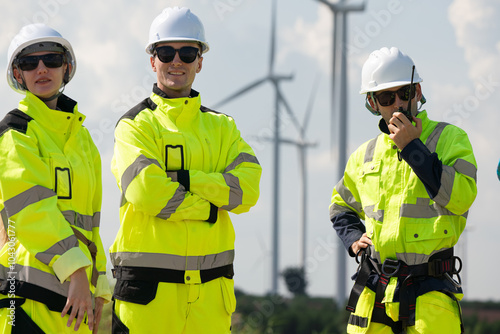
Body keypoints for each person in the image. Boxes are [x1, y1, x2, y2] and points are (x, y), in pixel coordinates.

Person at [109, 7, 262, 333]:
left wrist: (186, 179)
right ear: (153, 60)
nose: (176, 61)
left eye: (187, 52)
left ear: (200, 61)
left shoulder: (224, 127)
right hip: (148, 296)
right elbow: (146, 192)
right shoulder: (133, 126)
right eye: (166, 52)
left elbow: (247, 191)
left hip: (210, 295)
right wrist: (210, 205)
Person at [329, 47, 477, 334]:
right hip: (375, 298)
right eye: (386, 97)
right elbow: (340, 206)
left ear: (418, 91)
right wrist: (353, 237)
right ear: (373, 103)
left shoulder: (450, 139)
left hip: (429, 296)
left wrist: (412, 148)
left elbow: (460, 198)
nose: (397, 103)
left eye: (405, 93)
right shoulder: (365, 154)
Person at [0, 23, 111, 333]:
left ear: (67, 67)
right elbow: (32, 211)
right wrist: (76, 272)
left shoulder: (83, 138)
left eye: (51, 60)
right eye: (28, 63)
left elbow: (91, 220)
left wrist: (98, 282)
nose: (41, 69)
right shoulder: (16, 131)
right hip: (28, 293)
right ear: (18, 74)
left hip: (74, 299)